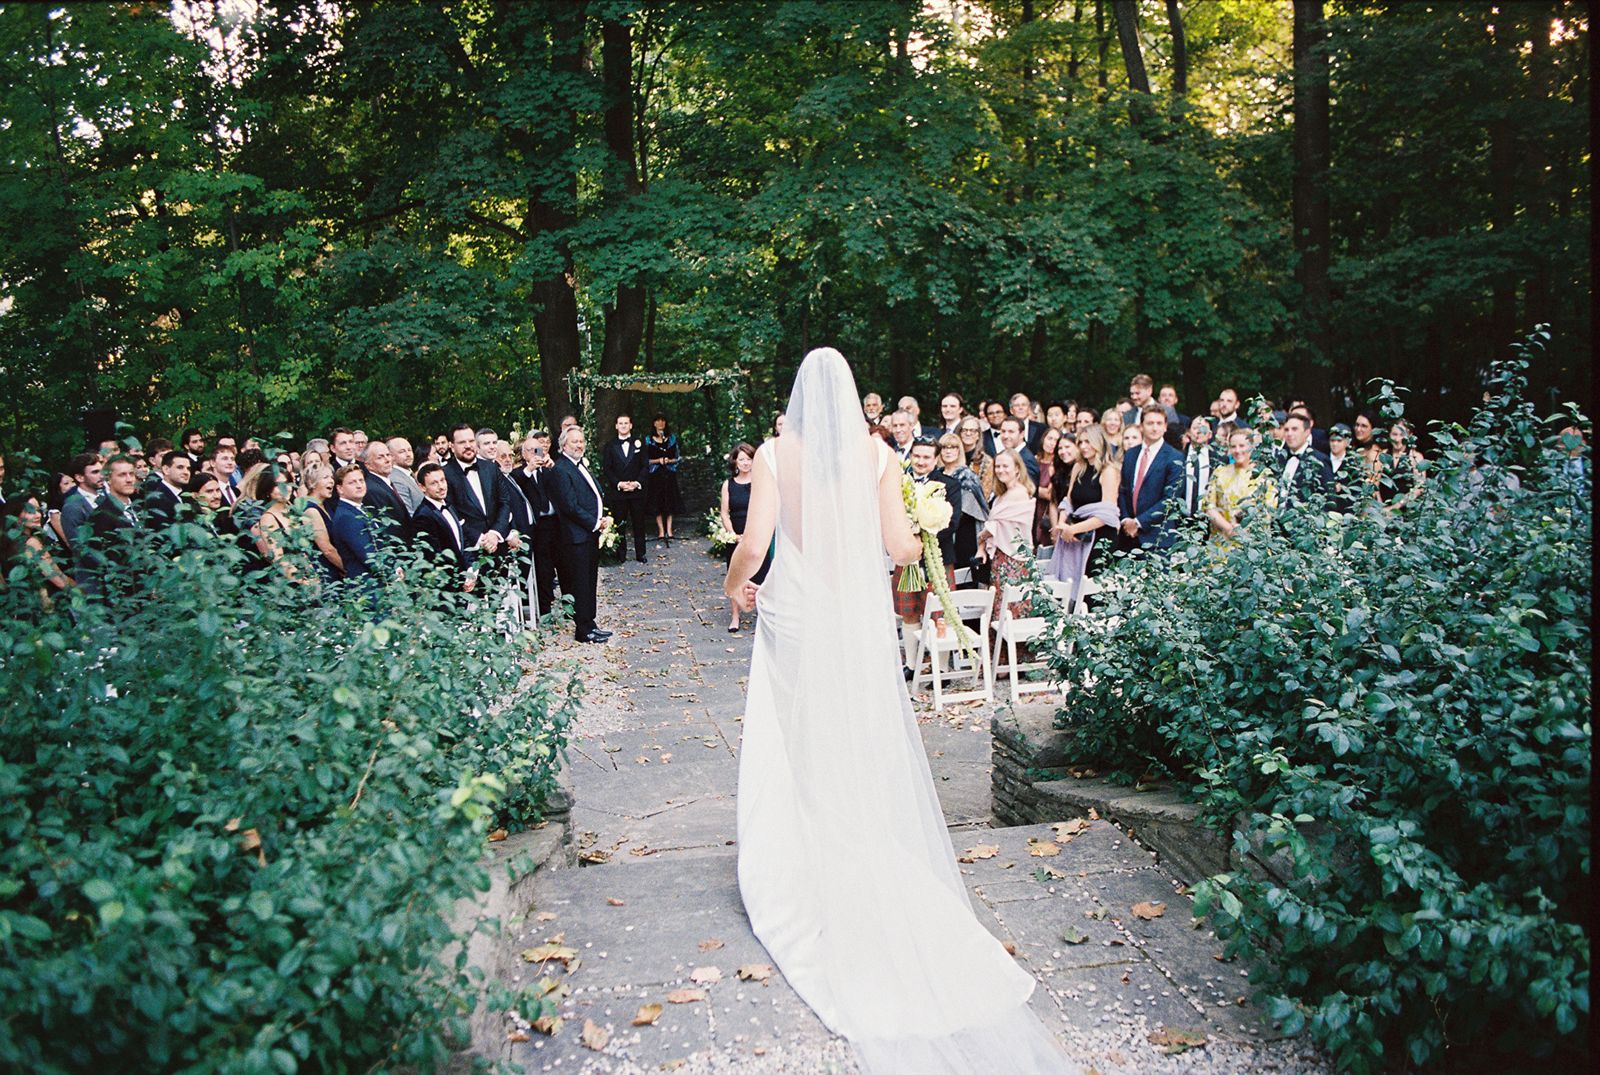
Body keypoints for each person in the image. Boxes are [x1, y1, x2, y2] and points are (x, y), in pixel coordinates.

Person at [721, 347, 1070, 1075]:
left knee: (796, 729)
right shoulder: (878, 454)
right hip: (855, 617)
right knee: (855, 723)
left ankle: (802, 847)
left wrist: (733, 586)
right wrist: (926, 523)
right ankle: (858, 835)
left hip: (796, 611)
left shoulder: (777, 454)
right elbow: (900, 546)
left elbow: (755, 543)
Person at [892, 437, 961, 671]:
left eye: (926, 457)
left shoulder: (949, 485)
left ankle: (941, 668)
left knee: (939, 613)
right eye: (917, 456)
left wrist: (922, 534)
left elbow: (952, 523)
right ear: (911, 456)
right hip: (907, 557)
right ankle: (912, 666)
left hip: (938, 557)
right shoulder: (899, 482)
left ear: (935, 459)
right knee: (909, 612)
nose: (921, 462)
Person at [546, 425, 612, 643]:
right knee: (581, 583)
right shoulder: (561, 469)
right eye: (574, 441)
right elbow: (569, 506)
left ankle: (590, 623)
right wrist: (595, 522)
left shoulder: (579, 465)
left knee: (590, 581)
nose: (579, 445)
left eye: (581, 441)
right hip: (576, 537)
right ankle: (583, 630)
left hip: (588, 534)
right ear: (563, 445)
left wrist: (601, 519)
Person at [1046, 429, 1121, 601]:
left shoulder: (1109, 471)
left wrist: (1073, 529)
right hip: (1075, 536)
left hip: (1100, 538)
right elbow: (1068, 501)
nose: (1083, 446)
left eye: (1088, 442)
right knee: (1069, 586)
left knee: (1093, 593)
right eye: (1080, 442)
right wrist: (1062, 524)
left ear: (1099, 442)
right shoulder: (1079, 467)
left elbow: (1107, 514)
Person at [442, 423, 516, 567]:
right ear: (451, 446)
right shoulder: (445, 474)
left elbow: (504, 502)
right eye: (462, 442)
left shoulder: (491, 468)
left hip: (499, 546)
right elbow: (451, 512)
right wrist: (480, 539)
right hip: (470, 552)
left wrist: (495, 533)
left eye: (471, 441)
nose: (468, 446)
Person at [976, 448, 1037, 620]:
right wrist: (982, 544)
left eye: (1005, 466)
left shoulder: (1018, 493)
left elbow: (992, 525)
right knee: (999, 603)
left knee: (1011, 607)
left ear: (1017, 468)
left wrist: (981, 538)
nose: (1000, 470)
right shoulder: (1001, 495)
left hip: (1015, 559)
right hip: (1001, 558)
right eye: (998, 466)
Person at [1116, 405, 1184, 554]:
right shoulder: (1131, 454)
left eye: (1159, 423)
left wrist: (1139, 522)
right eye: (1150, 423)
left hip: (1158, 538)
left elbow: (1170, 499)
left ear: (1165, 427)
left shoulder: (1175, 457)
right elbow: (1123, 490)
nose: (1154, 428)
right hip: (1128, 536)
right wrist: (1126, 520)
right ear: (1141, 426)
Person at [719, 443, 770, 632]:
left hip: (758, 534)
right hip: (736, 535)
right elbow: (725, 513)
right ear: (735, 462)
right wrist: (732, 534)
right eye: (742, 459)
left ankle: (764, 616)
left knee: (762, 575)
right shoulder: (728, 485)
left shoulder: (761, 483)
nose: (746, 463)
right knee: (737, 576)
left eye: (749, 459)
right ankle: (735, 617)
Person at [511, 431, 562, 618]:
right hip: (537, 526)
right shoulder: (519, 473)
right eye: (531, 451)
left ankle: (567, 604)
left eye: (538, 450)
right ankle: (544, 609)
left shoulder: (548, 470)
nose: (536, 454)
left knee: (562, 564)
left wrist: (553, 467)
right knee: (543, 567)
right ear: (524, 454)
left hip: (555, 522)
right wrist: (529, 469)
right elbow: (516, 483)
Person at [1205, 428, 1277, 547]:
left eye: (1242, 446)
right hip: (1222, 542)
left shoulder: (1263, 475)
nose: (1237, 450)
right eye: (1233, 446)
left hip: (1252, 542)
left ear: (1251, 447)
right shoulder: (1219, 472)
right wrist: (1229, 529)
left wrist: (1244, 531)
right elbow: (1209, 506)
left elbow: (1268, 510)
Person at [0, 495, 73, 608]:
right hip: (49, 605)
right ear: (15, 515)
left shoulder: (8, 543)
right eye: (30, 511)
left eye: (38, 510)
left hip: (22, 607)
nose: (38, 515)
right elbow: (60, 580)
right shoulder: (31, 543)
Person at [410, 462, 473, 591]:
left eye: (442, 480)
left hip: (463, 579)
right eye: (434, 483)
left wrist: (470, 570)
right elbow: (434, 557)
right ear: (422, 487)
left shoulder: (449, 505)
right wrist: (459, 580)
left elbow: (462, 541)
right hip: (446, 585)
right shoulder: (423, 516)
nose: (441, 487)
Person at [602, 414, 651, 564]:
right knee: (620, 524)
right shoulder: (610, 446)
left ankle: (641, 553)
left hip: (636, 491)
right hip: (619, 492)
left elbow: (645, 465)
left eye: (626, 423)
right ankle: (620, 554)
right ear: (616, 426)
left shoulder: (639, 443)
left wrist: (637, 483)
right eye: (620, 423)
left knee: (639, 523)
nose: (623, 426)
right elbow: (607, 469)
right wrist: (619, 484)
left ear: (631, 425)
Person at [938, 431, 987, 578]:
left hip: (964, 533)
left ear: (959, 451)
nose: (948, 451)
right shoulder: (936, 474)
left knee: (964, 579)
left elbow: (977, 509)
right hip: (941, 533)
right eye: (944, 447)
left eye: (953, 447)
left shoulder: (968, 476)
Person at [327, 464, 381, 583]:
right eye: (352, 483)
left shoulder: (360, 508)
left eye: (361, 480)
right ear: (340, 489)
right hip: (367, 585)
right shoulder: (346, 517)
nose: (359, 485)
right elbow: (368, 556)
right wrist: (392, 574)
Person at [1274, 413, 1335, 509]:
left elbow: (1329, 501)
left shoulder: (1319, 461)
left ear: (1307, 432)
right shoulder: (1280, 458)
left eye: (1294, 429)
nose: (1289, 434)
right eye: (1286, 430)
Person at [298, 462, 345, 582]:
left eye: (331, 477)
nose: (331, 481)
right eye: (325, 477)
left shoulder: (325, 505)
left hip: (334, 568)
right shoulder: (311, 511)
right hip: (324, 573)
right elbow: (327, 549)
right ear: (311, 483)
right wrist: (348, 570)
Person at [644, 416, 684, 543]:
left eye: (663, 421)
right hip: (655, 474)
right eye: (658, 421)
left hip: (669, 473)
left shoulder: (672, 439)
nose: (660, 423)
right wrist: (658, 460)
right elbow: (644, 460)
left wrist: (669, 461)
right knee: (657, 502)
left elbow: (677, 457)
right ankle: (661, 530)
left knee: (670, 500)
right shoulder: (648, 440)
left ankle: (669, 530)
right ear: (654, 423)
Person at [360, 440, 411, 537]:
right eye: (380, 457)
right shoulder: (372, 489)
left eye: (388, 455)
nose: (387, 460)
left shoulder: (384, 482)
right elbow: (387, 527)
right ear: (368, 465)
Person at [60, 452, 103, 554]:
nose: (102, 476)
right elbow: (80, 548)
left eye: (102, 471)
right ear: (80, 477)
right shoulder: (72, 507)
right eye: (95, 472)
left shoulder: (106, 497)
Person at [1377, 419, 1425, 510]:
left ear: (1409, 436)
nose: (1397, 439)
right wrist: (1381, 507)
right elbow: (1375, 483)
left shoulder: (1415, 457)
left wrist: (1396, 506)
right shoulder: (1382, 455)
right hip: (1382, 509)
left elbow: (1419, 488)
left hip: (1406, 509)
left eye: (1402, 435)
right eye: (1394, 434)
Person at [1179, 417, 1220, 518]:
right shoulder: (1178, 457)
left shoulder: (1218, 459)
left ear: (1210, 434)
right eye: (1195, 428)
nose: (1199, 432)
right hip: (1181, 518)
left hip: (1208, 518)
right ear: (1188, 432)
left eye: (1203, 428)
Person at [144, 449, 192, 531]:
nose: (186, 472)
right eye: (180, 467)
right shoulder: (156, 499)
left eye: (188, 468)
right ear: (166, 470)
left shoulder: (187, 496)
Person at [956, 416, 996, 503]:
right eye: (965, 430)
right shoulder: (951, 456)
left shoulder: (986, 461)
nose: (968, 433)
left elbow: (985, 493)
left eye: (972, 431)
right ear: (959, 433)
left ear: (978, 435)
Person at [1033, 426, 1060, 548]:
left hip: (1047, 512)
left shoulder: (1057, 465)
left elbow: (1050, 494)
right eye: (1050, 438)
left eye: (1056, 440)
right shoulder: (1034, 460)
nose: (1052, 443)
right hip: (1031, 510)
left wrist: (1031, 489)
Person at [385, 437, 426, 514]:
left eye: (409, 450)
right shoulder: (395, 480)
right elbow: (407, 513)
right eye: (402, 452)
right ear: (391, 456)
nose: (408, 454)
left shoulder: (411, 474)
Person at [998, 417, 1040, 486]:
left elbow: (1029, 489)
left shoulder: (1027, 460)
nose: (1005, 436)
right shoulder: (1007, 455)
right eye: (1003, 431)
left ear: (1022, 434)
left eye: (1011, 432)